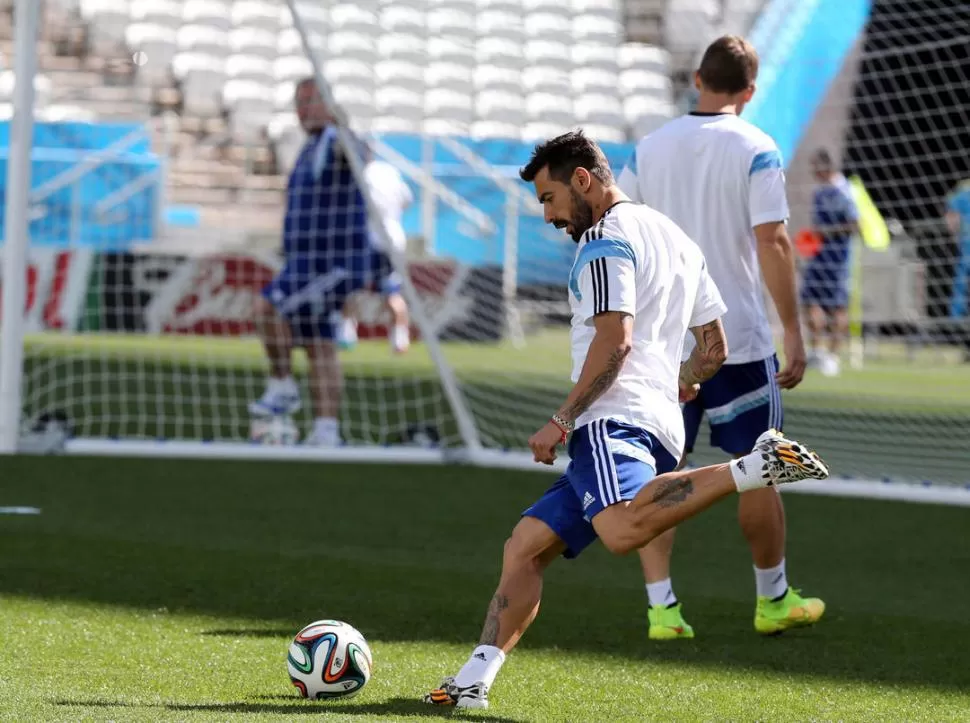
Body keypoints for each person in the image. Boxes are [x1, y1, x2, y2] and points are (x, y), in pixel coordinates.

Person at [424, 130, 829, 709]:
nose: (547, 216)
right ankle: (473, 680)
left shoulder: (605, 241)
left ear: (582, 180)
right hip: (656, 422)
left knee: (618, 530)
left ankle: (753, 466)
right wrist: (683, 379)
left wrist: (562, 420)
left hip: (612, 419)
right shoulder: (677, 240)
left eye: (548, 198)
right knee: (524, 546)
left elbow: (615, 341)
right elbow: (714, 344)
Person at [617, 35, 823, 640]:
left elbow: (623, 231)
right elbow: (773, 241)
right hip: (736, 338)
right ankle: (773, 600)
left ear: (697, 78)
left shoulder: (649, 148)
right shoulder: (756, 147)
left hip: (665, 342)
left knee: (658, 473)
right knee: (761, 463)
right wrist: (794, 330)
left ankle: (662, 611)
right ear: (749, 92)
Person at [249, 78, 373, 446]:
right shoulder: (310, 147)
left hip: (330, 263)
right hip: (307, 262)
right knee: (321, 344)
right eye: (298, 102)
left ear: (328, 104)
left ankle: (283, 385)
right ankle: (326, 431)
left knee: (266, 308)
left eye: (310, 101)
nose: (302, 109)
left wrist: (342, 125)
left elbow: (360, 155)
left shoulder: (334, 139)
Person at [338, 155, 413, 355]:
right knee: (392, 291)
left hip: (370, 239)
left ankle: (345, 335)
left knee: (351, 286)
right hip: (394, 239)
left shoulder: (364, 175)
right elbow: (407, 201)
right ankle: (400, 339)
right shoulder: (392, 174)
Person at [800, 148, 860, 377]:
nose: (813, 171)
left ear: (826, 166)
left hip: (838, 260)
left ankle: (833, 357)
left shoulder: (844, 191)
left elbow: (855, 225)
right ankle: (816, 351)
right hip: (818, 257)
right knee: (808, 301)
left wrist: (828, 231)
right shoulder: (818, 192)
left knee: (837, 307)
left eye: (816, 166)